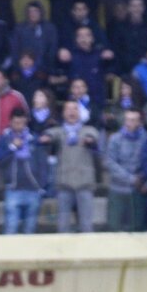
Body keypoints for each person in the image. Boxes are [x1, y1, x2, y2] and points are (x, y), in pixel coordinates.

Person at [39, 99, 100, 233]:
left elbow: (94, 138)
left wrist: (90, 141)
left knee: (86, 226)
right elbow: (49, 134)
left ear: (80, 112)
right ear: (63, 113)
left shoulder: (88, 130)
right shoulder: (59, 132)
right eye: (68, 109)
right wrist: (46, 138)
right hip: (64, 184)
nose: (72, 112)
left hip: (84, 184)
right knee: (63, 226)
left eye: (75, 109)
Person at [0, 108, 48, 234]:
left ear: (26, 122)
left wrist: (42, 186)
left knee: (30, 229)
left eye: (22, 123)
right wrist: (12, 147)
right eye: (16, 123)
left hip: (33, 190)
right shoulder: (4, 139)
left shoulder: (34, 139)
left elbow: (43, 164)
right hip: (13, 189)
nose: (19, 126)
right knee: (11, 229)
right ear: (10, 122)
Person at [104, 109, 147, 232]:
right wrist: (131, 179)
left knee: (137, 228)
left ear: (139, 122)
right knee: (114, 227)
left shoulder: (146, 139)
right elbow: (110, 163)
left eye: (133, 120)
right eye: (127, 120)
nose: (129, 123)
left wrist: (143, 178)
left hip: (138, 190)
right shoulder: (115, 139)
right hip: (117, 189)